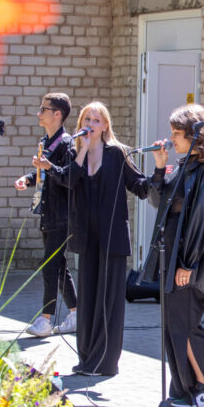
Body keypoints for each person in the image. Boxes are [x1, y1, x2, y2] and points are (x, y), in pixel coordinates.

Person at [36, 102, 155, 376]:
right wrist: (82, 151)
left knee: (108, 302)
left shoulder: (118, 153)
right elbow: (69, 180)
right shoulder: (74, 152)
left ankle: (106, 363)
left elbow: (139, 186)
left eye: (96, 120)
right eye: (86, 119)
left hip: (112, 239)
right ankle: (87, 359)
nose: (90, 124)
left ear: (105, 126)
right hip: (86, 239)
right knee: (88, 301)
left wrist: (159, 172)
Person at [142, 104, 204, 407]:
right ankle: (184, 388)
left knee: (187, 327)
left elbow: (203, 221)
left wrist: (188, 264)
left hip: (189, 264)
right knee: (174, 327)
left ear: (195, 135)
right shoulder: (185, 167)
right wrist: (159, 167)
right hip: (173, 260)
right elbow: (158, 201)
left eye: (176, 133)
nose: (171, 139)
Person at [15, 93, 77, 337]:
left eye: (44, 109)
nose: (39, 113)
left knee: (50, 266)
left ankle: (46, 320)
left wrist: (48, 167)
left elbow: (69, 177)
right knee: (58, 267)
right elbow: (45, 173)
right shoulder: (46, 141)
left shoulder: (67, 144)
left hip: (62, 215)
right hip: (48, 213)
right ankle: (76, 314)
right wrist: (29, 178)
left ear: (57, 114)